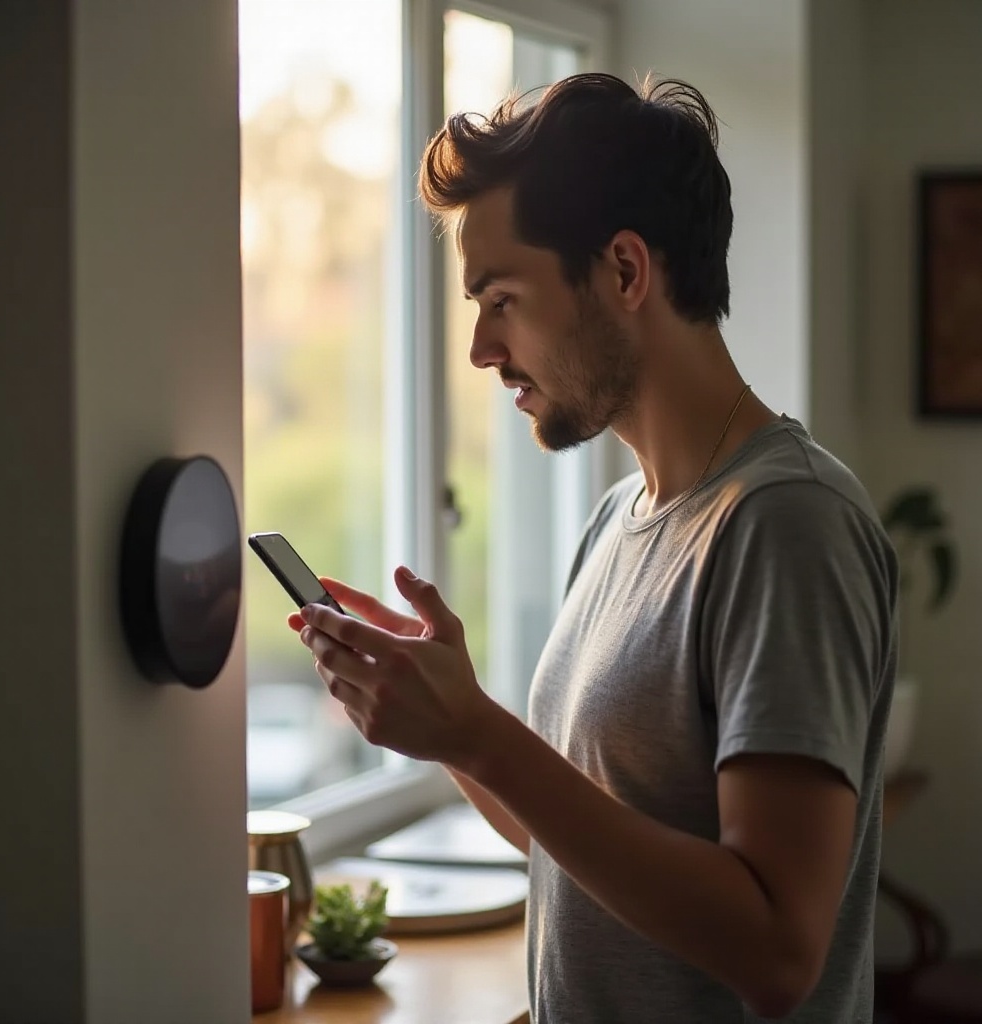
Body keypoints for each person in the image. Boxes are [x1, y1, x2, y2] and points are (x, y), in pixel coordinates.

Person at [289, 72, 898, 1023]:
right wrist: (453, 731)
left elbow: (779, 951)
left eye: (502, 298)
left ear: (623, 271)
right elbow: (577, 849)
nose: (483, 349)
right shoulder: (616, 522)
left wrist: (481, 736)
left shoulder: (788, 525)